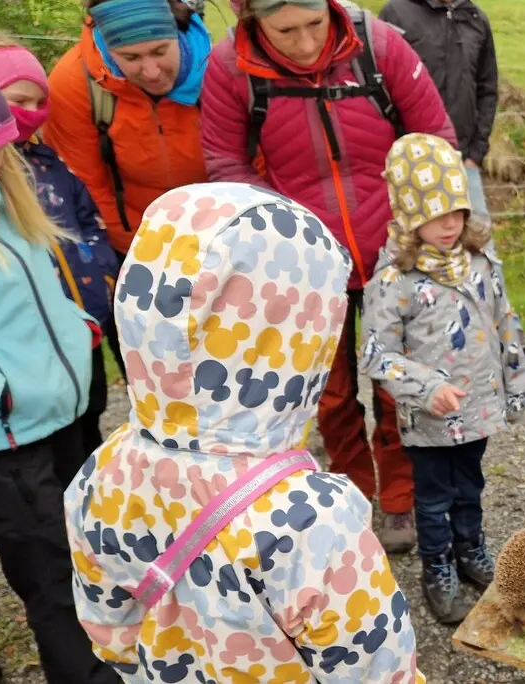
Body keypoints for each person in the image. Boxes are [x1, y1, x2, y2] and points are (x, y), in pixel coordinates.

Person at [65, 182, 424, 682]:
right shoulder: (310, 519)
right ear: (303, 336)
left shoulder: (100, 473)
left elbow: (108, 632)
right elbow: (378, 671)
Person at [202, 0, 457, 554]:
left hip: (396, 257)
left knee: (396, 387)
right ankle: (353, 494)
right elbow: (226, 166)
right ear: (252, 20)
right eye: (285, 30)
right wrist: (285, 237)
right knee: (331, 394)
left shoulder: (381, 45)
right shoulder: (231, 69)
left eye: (314, 24)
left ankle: (398, 498)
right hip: (305, 266)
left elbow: (436, 142)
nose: (304, 42)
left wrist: (417, 232)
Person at [0, 43, 116, 684]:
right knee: (52, 582)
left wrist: (77, 327)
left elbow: (41, 288)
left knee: (90, 556)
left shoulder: (4, 199)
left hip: (59, 416)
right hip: (0, 441)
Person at [360, 133, 525, 624]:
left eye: (457, 212)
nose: (450, 224)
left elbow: (506, 323)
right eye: (436, 215)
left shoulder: (481, 263)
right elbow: (376, 353)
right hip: (430, 419)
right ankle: (437, 566)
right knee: (433, 497)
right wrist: (426, 387)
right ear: (410, 216)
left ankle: (470, 549)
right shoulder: (395, 281)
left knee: (470, 484)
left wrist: (516, 382)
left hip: (477, 409)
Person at [0, 30, 120, 463]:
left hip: (80, 323)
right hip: (23, 344)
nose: (33, 114)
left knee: (88, 410)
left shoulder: (50, 161)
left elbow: (88, 221)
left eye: (40, 102)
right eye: (19, 101)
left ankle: (90, 492)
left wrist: (102, 277)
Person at [44, 0, 211, 380]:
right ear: (106, 46)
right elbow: (88, 190)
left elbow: (244, 158)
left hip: (217, 237)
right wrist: (146, 260)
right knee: (149, 368)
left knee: (224, 355)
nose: (151, 71)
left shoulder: (215, 69)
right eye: (130, 58)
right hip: (131, 243)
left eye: (159, 51)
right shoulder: (74, 82)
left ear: (179, 33)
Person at [378, 0, 498, 227]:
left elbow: (487, 89)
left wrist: (476, 152)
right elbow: (379, 88)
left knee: (479, 244)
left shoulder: (476, 19)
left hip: (462, 161)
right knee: (408, 245)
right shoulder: (396, 13)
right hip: (409, 164)